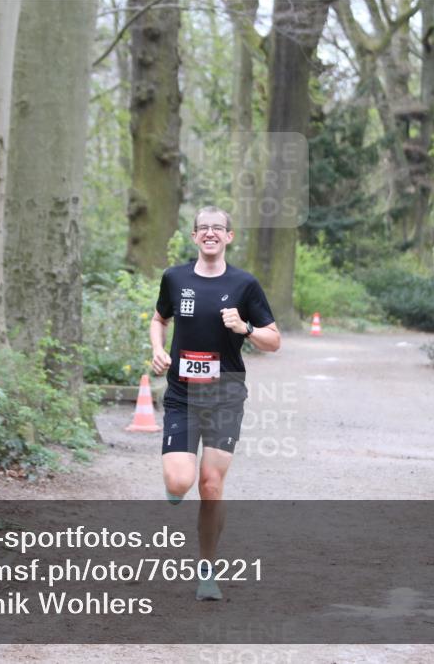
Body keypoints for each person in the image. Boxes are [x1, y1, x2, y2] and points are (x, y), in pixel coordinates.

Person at [150, 205, 281, 601]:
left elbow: (274, 340)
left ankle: (206, 569)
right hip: (182, 395)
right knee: (179, 481)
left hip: (226, 395)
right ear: (194, 237)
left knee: (211, 484)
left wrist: (246, 328)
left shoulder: (245, 284)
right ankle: (175, 484)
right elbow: (159, 319)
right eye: (203, 228)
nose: (210, 233)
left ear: (229, 236)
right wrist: (157, 349)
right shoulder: (175, 278)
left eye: (217, 228)